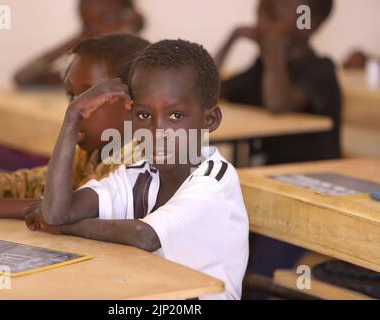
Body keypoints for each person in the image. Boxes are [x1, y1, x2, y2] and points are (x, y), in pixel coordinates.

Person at [26, 39, 250, 300]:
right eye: (144, 115)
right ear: (131, 117)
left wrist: (64, 228)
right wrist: (73, 116)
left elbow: (143, 235)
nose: (157, 133)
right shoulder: (137, 173)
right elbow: (57, 211)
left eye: (175, 116)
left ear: (209, 120)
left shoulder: (215, 182)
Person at [0, 34, 150, 223]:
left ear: (129, 102)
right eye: (71, 97)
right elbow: (42, 180)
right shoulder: (95, 153)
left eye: (87, 97)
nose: (74, 108)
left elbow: (74, 211)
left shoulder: (140, 162)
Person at [216, 0, 341, 164]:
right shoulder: (260, 68)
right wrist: (233, 38)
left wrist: (275, 49)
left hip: (313, 173)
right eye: (261, 15)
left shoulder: (320, 71)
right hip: (266, 173)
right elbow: (209, 92)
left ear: (311, 23)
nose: (263, 25)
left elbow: (278, 104)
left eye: (274, 17)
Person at [14, 0, 144, 88]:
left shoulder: (146, 64)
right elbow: (23, 78)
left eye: (106, 19)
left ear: (131, 16)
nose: (99, 30)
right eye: (89, 26)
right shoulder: (88, 70)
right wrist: (78, 38)